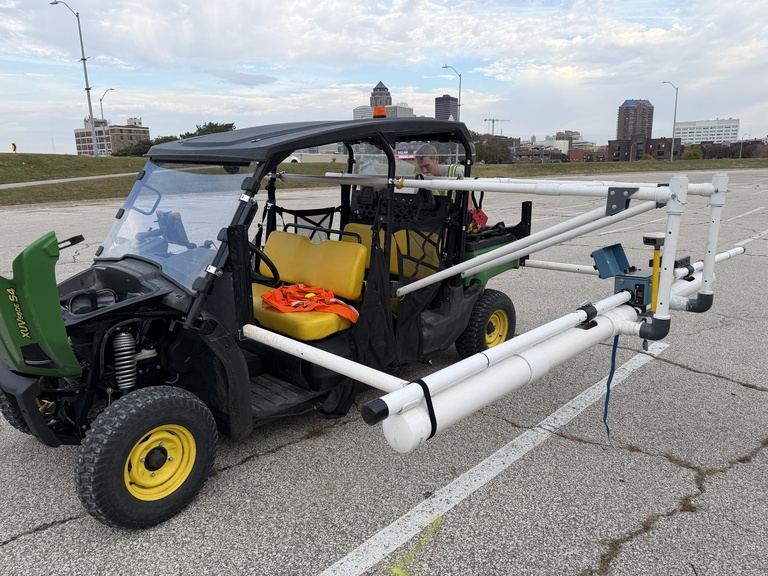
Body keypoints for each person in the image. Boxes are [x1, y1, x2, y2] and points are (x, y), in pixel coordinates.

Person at [415, 144, 478, 212]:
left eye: (427, 166)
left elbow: (469, 205)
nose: (424, 171)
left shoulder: (457, 173)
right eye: (421, 167)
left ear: (436, 159)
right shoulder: (421, 182)